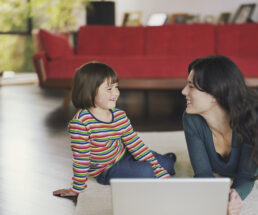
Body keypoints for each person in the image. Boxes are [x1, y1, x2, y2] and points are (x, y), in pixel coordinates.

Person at [182, 55, 258, 215]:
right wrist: (216, 199)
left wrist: (236, 196)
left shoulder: (254, 121)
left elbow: (246, 175)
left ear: (214, 94)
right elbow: (202, 173)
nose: (183, 91)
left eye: (191, 86)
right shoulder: (191, 118)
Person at [53, 62, 176, 197]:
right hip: (106, 170)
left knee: (162, 165)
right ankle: (162, 162)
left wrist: (159, 170)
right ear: (89, 92)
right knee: (146, 171)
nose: (116, 93)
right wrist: (76, 188)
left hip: (124, 154)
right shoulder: (81, 124)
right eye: (109, 89)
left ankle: (167, 159)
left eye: (116, 87)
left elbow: (136, 145)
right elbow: (81, 159)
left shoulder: (119, 115)